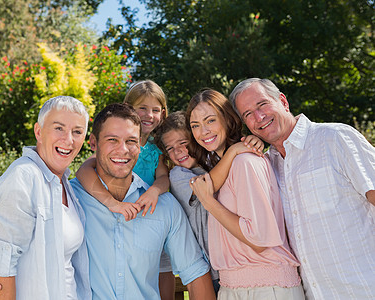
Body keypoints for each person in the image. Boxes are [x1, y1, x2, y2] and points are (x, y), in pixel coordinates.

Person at [0, 103, 215, 300]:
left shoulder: (164, 207)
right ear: (93, 144)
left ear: (140, 147)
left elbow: (195, 274)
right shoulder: (70, 199)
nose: (123, 150)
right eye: (112, 140)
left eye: (131, 141)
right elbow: (14, 246)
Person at [228, 78, 375, 300]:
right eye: (248, 114)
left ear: (283, 101)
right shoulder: (266, 167)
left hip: (364, 288)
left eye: (262, 105)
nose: (259, 117)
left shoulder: (335, 138)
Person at [187, 89, 305, 300]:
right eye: (195, 125)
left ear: (227, 119)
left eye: (210, 120)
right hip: (235, 286)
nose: (203, 131)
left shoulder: (245, 162)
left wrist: (209, 203)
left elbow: (258, 240)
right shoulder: (226, 165)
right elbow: (202, 185)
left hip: (267, 288)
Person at [0, 96, 91, 299]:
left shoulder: (65, 184)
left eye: (77, 131)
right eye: (59, 128)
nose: (69, 139)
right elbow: (2, 263)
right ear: (38, 132)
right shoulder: (23, 176)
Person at [76, 80, 174, 299]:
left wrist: (154, 191)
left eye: (156, 110)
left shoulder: (156, 150)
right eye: (143, 108)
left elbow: (163, 178)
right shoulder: (113, 145)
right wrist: (111, 203)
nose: (149, 115)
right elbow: (83, 171)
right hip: (116, 213)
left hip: (148, 215)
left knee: (162, 266)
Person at [154, 111, 264, 295]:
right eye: (170, 148)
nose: (178, 151)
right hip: (212, 270)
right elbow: (205, 186)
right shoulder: (178, 176)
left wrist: (251, 142)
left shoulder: (214, 162)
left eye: (183, 143)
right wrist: (235, 150)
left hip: (240, 260)